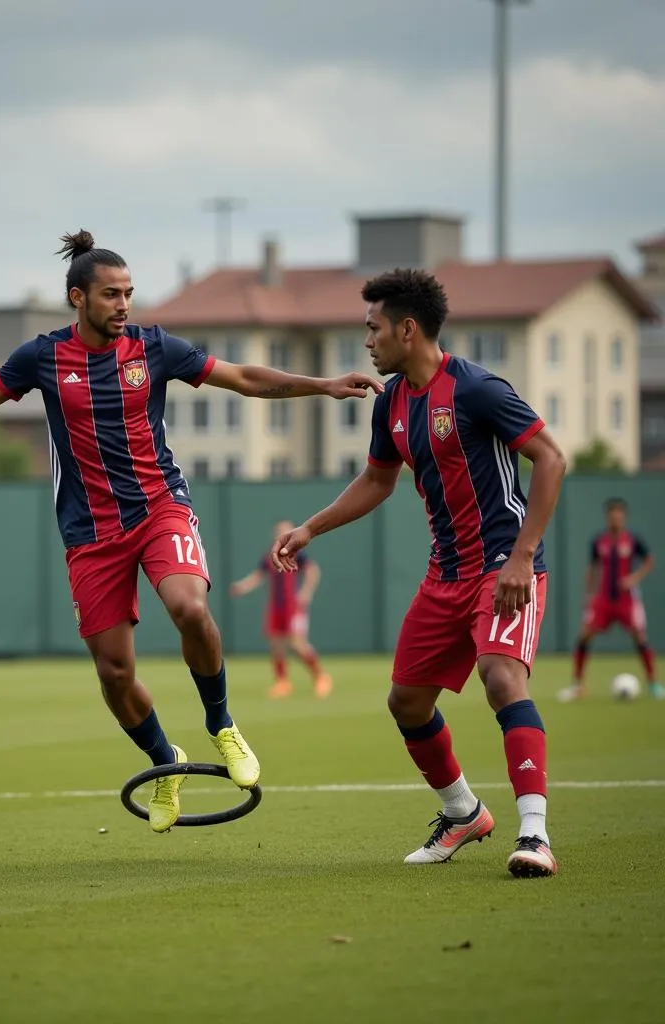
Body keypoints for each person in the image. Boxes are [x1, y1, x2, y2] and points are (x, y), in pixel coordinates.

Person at [0, 229, 381, 833]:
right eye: (110, 294)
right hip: (88, 533)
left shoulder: (155, 348)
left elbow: (244, 378)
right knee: (114, 673)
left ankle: (223, 725)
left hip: (159, 508)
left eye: (129, 293)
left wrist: (322, 385)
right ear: (78, 298)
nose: (124, 305)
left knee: (188, 607)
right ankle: (165, 761)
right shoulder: (43, 357)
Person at [272, 268, 567, 878]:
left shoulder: (479, 389)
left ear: (408, 329)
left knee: (502, 678)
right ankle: (463, 813)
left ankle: (534, 836)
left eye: (374, 328)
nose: (368, 341)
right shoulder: (393, 403)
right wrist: (309, 529)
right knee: (405, 701)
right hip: (446, 575)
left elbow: (551, 458)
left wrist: (522, 555)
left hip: (503, 569)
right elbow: (377, 482)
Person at [560, 498, 663, 702]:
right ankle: (577, 685)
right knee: (584, 636)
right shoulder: (599, 541)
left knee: (640, 638)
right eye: (612, 514)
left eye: (619, 514)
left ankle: (653, 684)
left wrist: (633, 578)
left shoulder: (633, 540)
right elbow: (593, 569)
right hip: (603, 599)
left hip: (627, 599)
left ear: (623, 516)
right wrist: (589, 595)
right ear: (607, 516)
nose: (615, 517)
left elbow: (649, 560)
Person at [230, 520, 332, 698]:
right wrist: (242, 587)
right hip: (275, 607)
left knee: (297, 644)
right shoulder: (269, 556)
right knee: (276, 645)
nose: (281, 534)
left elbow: (313, 571)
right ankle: (282, 683)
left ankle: (320, 677)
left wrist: (306, 592)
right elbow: (258, 576)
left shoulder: (298, 554)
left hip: (293, 607)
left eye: (285, 530)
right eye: (279, 531)